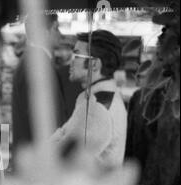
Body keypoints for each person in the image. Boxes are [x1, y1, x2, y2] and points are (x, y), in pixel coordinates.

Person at [127, 10, 180, 185]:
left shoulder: (148, 100)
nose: (159, 42)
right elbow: (136, 164)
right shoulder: (147, 101)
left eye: (166, 34)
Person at [51, 30, 127, 169]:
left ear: (94, 64)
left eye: (76, 55)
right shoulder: (99, 97)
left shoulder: (97, 107)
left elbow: (64, 156)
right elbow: (64, 136)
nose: (71, 61)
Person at [11, 14, 65, 158]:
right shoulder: (37, 66)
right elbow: (41, 120)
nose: (60, 34)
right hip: (37, 160)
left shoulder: (32, 62)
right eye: (56, 28)